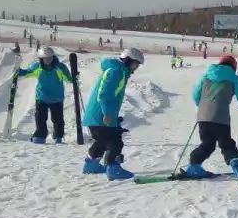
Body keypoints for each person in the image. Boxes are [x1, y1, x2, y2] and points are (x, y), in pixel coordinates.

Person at [184, 55, 238, 183]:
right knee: (226, 144)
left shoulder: (206, 76)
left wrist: (204, 105)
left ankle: (193, 166)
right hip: (221, 117)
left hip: (203, 116)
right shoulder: (234, 78)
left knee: (207, 144)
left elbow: (195, 95)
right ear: (234, 67)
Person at [82, 47, 144, 180]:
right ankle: (112, 168)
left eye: (137, 65)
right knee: (114, 141)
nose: (135, 68)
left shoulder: (118, 70)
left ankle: (91, 165)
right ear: (127, 60)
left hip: (97, 115)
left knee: (103, 141)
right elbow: (104, 95)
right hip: (101, 116)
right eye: (135, 64)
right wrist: (107, 114)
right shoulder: (117, 72)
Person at [17, 46, 73, 144]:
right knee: (40, 118)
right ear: (41, 59)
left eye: (50, 58)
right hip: (42, 97)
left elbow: (68, 79)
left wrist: (74, 77)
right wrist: (18, 71)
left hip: (56, 98)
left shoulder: (60, 68)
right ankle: (40, 135)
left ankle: (58, 136)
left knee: (57, 119)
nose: (48, 60)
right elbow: (27, 73)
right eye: (45, 58)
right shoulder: (37, 67)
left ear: (53, 57)